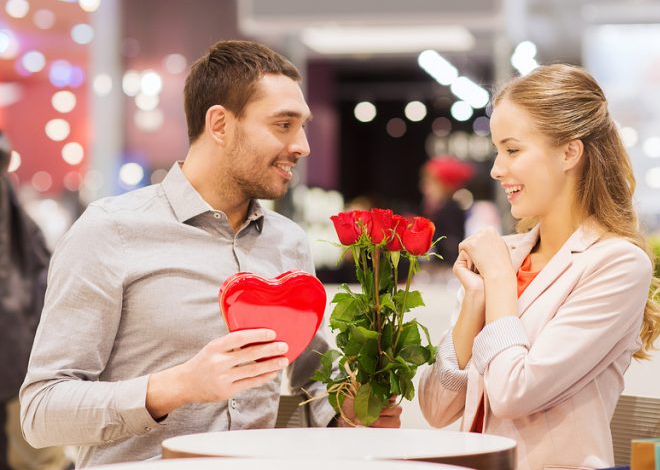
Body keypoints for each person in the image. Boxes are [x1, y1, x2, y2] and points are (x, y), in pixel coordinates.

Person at [20, 40, 400, 468]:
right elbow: (41, 412)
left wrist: (344, 414)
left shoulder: (288, 242)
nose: (303, 145)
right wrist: (178, 386)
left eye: (303, 126)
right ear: (219, 124)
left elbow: (302, 396)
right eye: (283, 124)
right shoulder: (110, 231)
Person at [418, 64, 660, 470]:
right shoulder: (506, 256)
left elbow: (515, 393)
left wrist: (497, 281)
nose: (497, 169)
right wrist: (474, 303)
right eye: (498, 150)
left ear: (569, 152)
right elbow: (435, 408)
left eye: (513, 150)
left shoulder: (616, 263)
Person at [0, 132, 70, 470]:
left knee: (36, 455)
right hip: (21, 346)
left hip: (19, 347)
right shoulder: (18, 216)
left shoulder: (19, 219)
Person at [419, 156, 474, 266]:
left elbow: (450, 249)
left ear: (445, 185)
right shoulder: (435, 208)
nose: (424, 187)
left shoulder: (451, 209)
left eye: (430, 182)